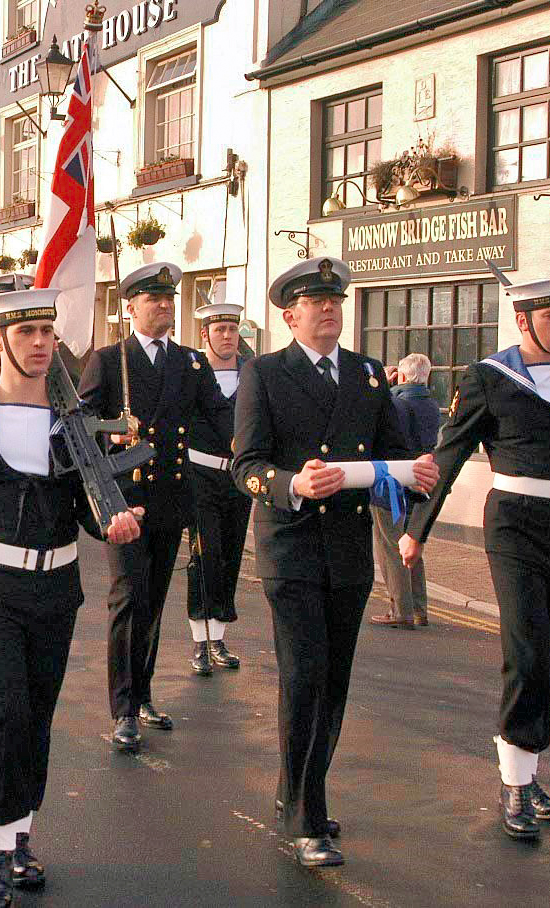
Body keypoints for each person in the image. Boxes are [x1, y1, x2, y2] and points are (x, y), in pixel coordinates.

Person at [0, 288, 142, 908]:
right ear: (4, 341)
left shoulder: (73, 419)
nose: (41, 343)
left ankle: (21, 837)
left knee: (38, 713)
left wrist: (116, 520)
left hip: (55, 584)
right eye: (27, 333)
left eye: (48, 331)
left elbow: (87, 506)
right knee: (2, 708)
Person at [231, 256, 437, 867]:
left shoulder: (370, 377)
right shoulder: (265, 374)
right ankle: (306, 816)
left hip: (346, 552)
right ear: (289, 315)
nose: (329, 310)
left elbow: (392, 457)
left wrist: (416, 475)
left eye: (336, 302)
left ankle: (300, 790)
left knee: (335, 680)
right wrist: (293, 483)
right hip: (291, 546)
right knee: (304, 675)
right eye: (316, 303)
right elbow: (248, 465)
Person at [401, 277, 550, 841]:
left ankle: (530, 772)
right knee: (526, 645)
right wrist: (418, 530)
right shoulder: (490, 379)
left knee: (547, 651)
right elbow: (448, 453)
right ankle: (515, 784)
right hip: (515, 522)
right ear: (523, 322)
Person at [78, 262, 233, 752]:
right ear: (131, 308)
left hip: (171, 497)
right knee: (127, 598)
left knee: (155, 600)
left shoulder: (190, 363)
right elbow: (78, 429)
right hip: (123, 501)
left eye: (170, 299)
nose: (165, 306)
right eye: (154, 299)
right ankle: (122, 708)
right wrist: (111, 430)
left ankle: (143, 693)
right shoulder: (108, 360)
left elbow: (221, 417)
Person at [185, 299, 252, 675]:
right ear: (205, 334)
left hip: (238, 479)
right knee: (203, 557)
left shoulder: (252, 373)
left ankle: (219, 637)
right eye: (219, 330)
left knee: (230, 557)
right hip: (201, 477)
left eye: (232, 329)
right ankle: (199, 640)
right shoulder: (194, 374)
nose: (227, 336)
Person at [369, 353, 441, 629]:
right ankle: (419, 608)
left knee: (390, 548)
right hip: (419, 484)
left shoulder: (395, 403)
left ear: (400, 375)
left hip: (390, 484)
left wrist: (384, 389)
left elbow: (381, 425)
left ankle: (401, 610)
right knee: (413, 544)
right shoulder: (431, 405)